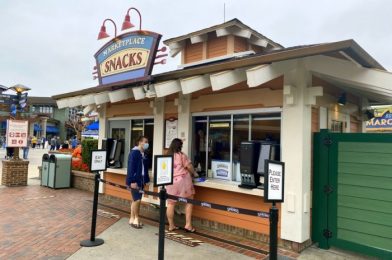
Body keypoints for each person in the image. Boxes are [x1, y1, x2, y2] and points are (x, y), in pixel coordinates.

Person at [166, 138, 198, 233]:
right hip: (183, 181)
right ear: (179, 146)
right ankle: (188, 225)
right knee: (189, 201)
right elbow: (189, 167)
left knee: (171, 203)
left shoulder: (167, 156)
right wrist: (194, 173)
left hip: (170, 182)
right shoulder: (182, 155)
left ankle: (171, 225)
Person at [126, 136, 150, 229]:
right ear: (140, 142)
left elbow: (145, 169)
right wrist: (132, 181)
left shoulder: (143, 154)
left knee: (135, 200)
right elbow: (131, 168)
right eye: (146, 141)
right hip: (135, 181)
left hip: (141, 180)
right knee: (137, 200)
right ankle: (137, 219)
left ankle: (131, 218)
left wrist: (146, 180)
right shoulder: (134, 153)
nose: (147, 143)